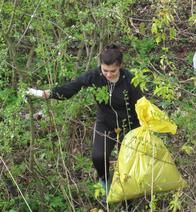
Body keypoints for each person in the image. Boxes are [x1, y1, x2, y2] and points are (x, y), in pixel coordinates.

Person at [26, 44, 143, 210]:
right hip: (106, 123)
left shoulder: (130, 80)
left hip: (128, 125)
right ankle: (104, 181)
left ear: (120, 67)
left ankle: (127, 204)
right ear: (100, 66)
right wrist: (47, 93)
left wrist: (142, 129)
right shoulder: (95, 76)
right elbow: (73, 87)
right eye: (105, 70)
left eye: (113, 71)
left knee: (126, 167)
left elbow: (141, 105)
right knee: (98, 156)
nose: (108, 74)